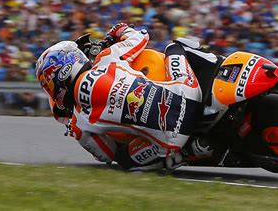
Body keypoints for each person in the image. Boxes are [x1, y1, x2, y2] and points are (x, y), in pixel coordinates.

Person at [36, 23, 213, 171]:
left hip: (172, 140)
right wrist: (118, 30)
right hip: (188, 93)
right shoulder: (107, 58)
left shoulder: (79, 124)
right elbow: (142, 36)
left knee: (124, 160)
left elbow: (107, 155)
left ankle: (186, 153)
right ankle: (215, 65)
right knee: (175, 46)